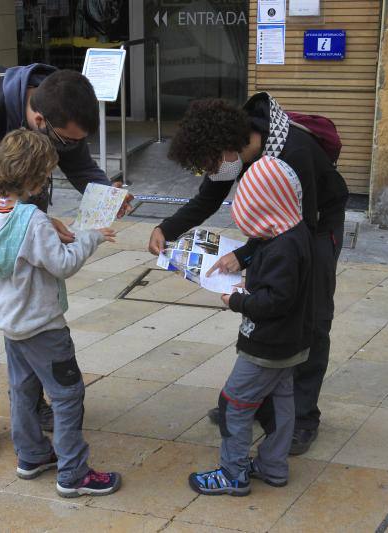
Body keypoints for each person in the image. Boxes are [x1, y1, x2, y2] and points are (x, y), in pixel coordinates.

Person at [0, 64, 130, 458]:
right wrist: (38, 222)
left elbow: (80, 167)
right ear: (39, 120)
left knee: (29, 295)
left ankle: (33, 399)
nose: (71, 146)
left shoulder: (61, 102)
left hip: (26, 201)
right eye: (66, 139)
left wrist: (106, 196)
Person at [149, 94, 348, 455]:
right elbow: (208, 197)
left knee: (310, 319)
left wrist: (244, 254)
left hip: (316, 228)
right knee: (270, 311)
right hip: (277, 231)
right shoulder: (231, 151)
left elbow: (297, 232)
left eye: (210, 164)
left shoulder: (293, 154)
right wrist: (168, 228)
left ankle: (303, 419)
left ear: (228, 147)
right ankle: (260, 402)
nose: (211, 172)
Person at [0, 129, 122, 497]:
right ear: (35, 179)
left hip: (11, 322)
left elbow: (20, 244)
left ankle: (32, 455)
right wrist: (92, 236)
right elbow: (63, 265)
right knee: (68, 395)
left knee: (22, 389)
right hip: (43, 327)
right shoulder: (32, 220)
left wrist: (50, 229)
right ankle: (73, 473)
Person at [189, 155, 314, 496]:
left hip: (266, 347)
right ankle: (273, 467)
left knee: (234, 403)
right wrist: (247, 261)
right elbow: (281, 289)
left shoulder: (282, 249)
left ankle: (233, 473)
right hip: (291, 342)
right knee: (282, 399)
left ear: (269, 210)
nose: (251, 229)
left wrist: (238, 301)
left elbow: (276, 301)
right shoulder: (294, 232)